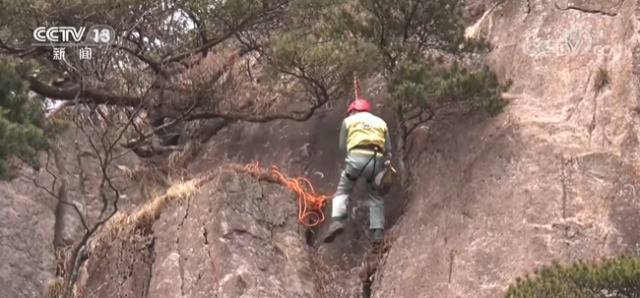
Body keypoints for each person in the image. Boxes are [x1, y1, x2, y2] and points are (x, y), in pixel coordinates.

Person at [322, 98, 391, 247]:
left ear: (352, 111)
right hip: (375, 161)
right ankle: (377, 233)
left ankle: (337, 221)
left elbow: (342, 146)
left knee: (343, 190)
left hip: (355, 160)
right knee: (375, 196)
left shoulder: (349, 121)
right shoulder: (381, 122)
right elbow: (388, 148)